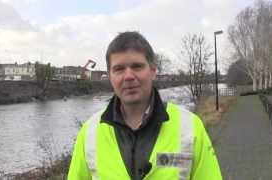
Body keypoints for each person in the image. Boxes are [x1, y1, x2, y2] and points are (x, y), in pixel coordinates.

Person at [68, 31, 222, 180]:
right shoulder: (89, 134)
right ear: (110, 76)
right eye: (119, 69)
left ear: (153, 70)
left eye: (137, 66)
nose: (128, 76)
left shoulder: (190, 127)